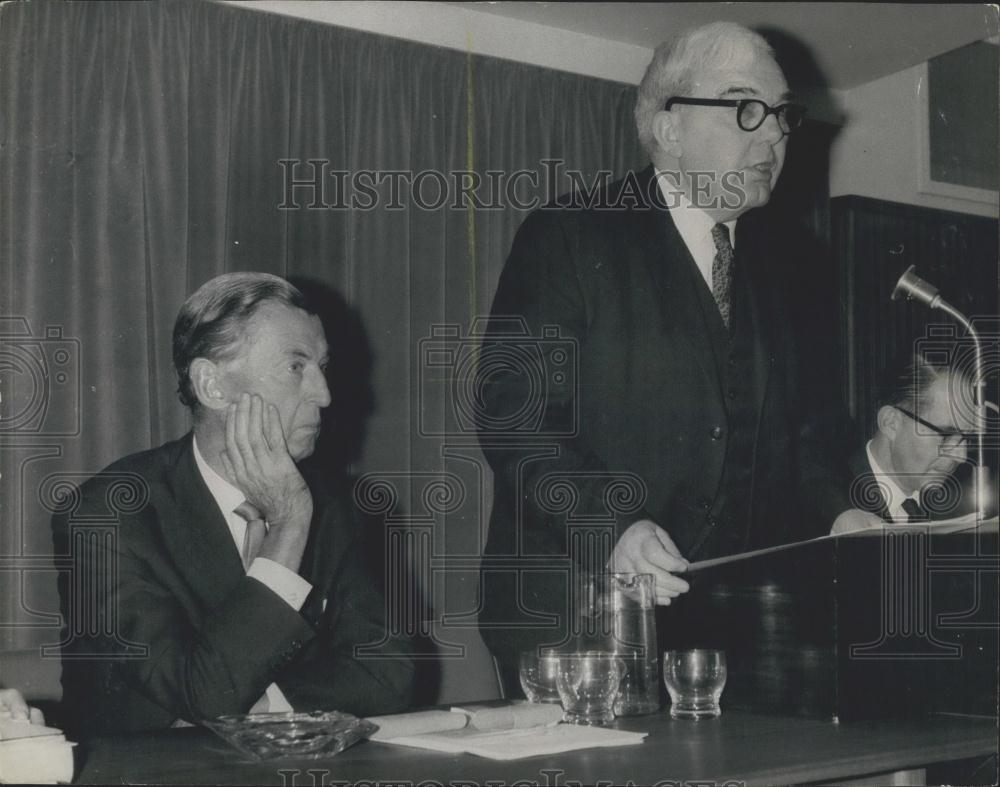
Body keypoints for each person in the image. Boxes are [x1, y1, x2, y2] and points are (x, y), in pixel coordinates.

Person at [476, 22, 837, 688]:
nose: (775, 135)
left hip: (729, 634)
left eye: (783, 114)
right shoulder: (572, 235)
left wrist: (847, 516)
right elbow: (513, 418)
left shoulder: (792, 271)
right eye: (745, 109)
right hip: (577, 623)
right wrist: (612, 528)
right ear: (669, 127)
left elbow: (797, 445)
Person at [54, 273, 413, 735]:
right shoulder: (109, 514)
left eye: (323, 365)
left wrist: (258, 707)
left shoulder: (337, 504)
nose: (324, 394)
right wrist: (287, 525)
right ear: (213, 386)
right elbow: (201, 692)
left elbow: (391, 673)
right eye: (295, 367)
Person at [831, 353, 977, 533]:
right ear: (891, 423)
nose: (962, 457)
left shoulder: (962, 508)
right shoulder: (829, 506)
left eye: (967, 438)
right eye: (946, 436)